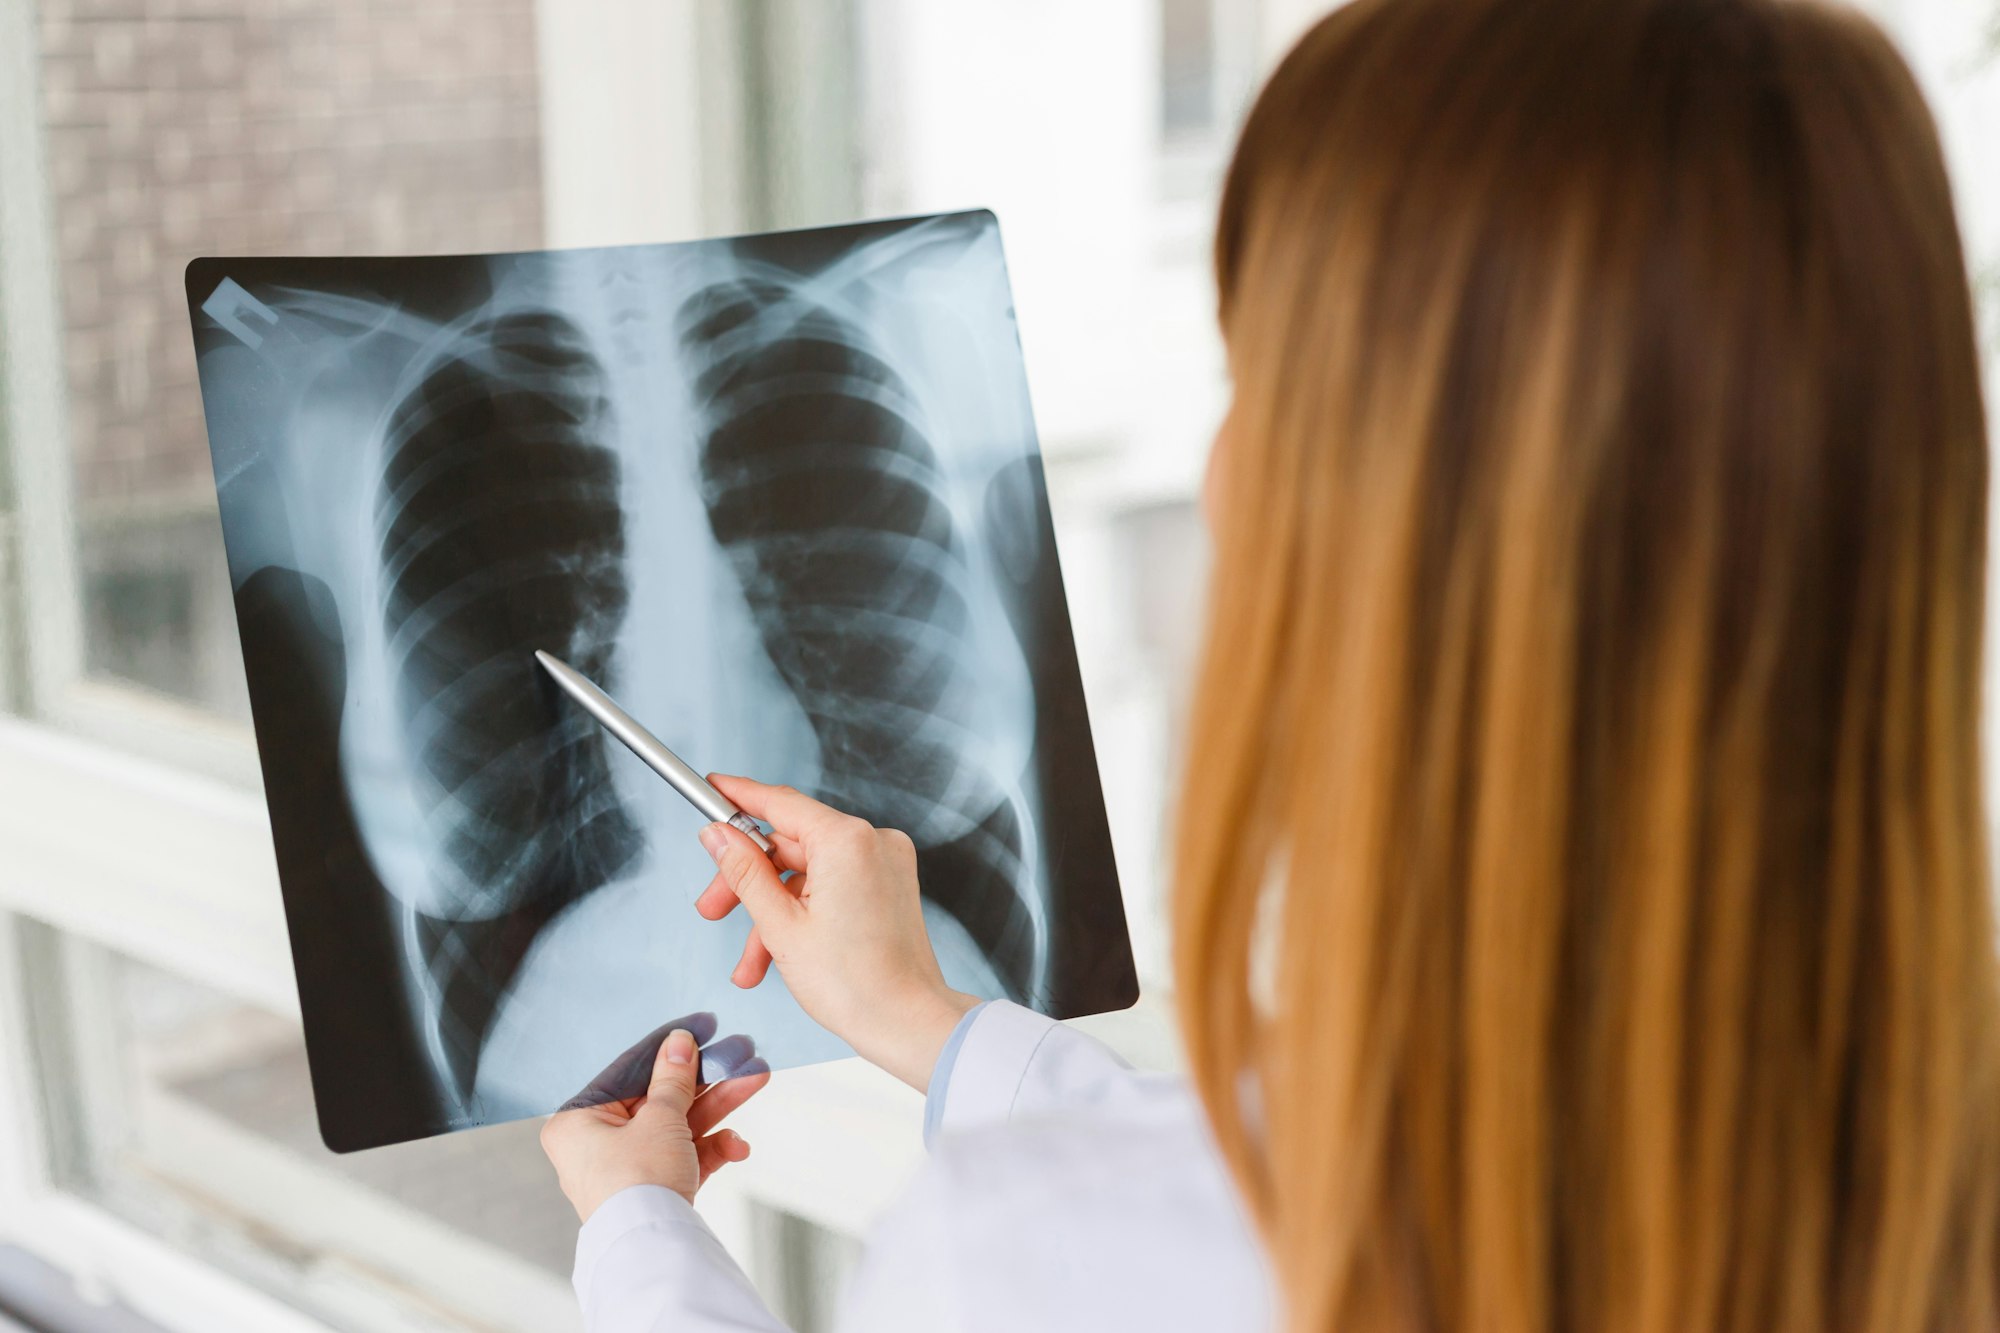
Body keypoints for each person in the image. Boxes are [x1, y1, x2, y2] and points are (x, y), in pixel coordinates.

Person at [538, 0, 2000, 1327]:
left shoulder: (1034, 1256)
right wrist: (931, 1023)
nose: (1226, 472)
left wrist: (638, 1231)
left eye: (1259, 380)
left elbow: (1182, 1231)